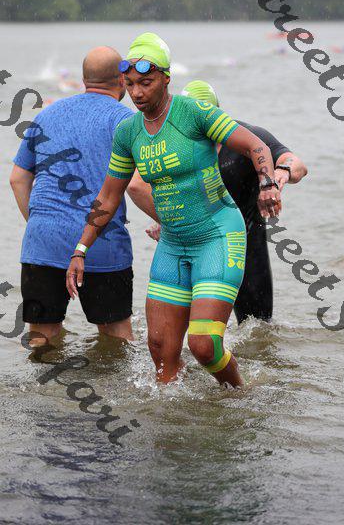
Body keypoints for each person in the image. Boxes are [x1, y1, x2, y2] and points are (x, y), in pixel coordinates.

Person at [66, 32, 282, 388]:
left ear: (166, 78)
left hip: (216, 235)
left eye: (146, 83)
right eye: (130, 85)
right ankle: (170, 414)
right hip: (173, 244)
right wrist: (80, 249)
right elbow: (108, 196)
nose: (137, 93)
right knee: (160, 350)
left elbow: (256, 145)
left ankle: (238, 395)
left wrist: (268, 183)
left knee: (204, 345)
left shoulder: (192, 112)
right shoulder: (128, 132)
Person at [131, 79, 307, 323]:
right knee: (186, 328)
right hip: (196, 242)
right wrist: (169, 222)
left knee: (256, 327)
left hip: (245, 243)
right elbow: (136, 186)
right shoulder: (171, 142)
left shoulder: (247, 137)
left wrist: (280, 174)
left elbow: (296, 164)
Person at [10, 46, 135, 346]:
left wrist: (41, 223)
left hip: (43, 244)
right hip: (103, 245)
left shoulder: (46, 115)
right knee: (117, 341)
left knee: (42, 340)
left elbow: (17, 179)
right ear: (122, 80)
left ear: (84, 79)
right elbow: (138, 187)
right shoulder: (126, 121)